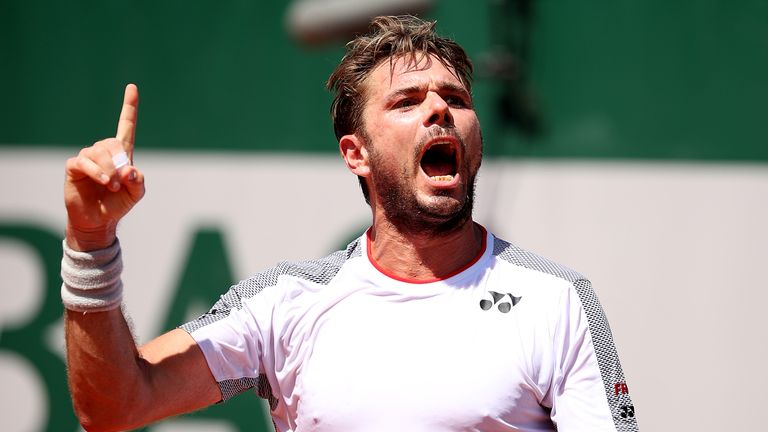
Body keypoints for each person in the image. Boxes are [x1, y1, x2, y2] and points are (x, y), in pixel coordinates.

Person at [62, 15, 639, 432]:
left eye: (456, 99)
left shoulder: (559, 301)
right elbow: (115, 407)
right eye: (407, 101)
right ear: (355, 153)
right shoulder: (283, 302)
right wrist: (90, 243)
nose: (440, 109)